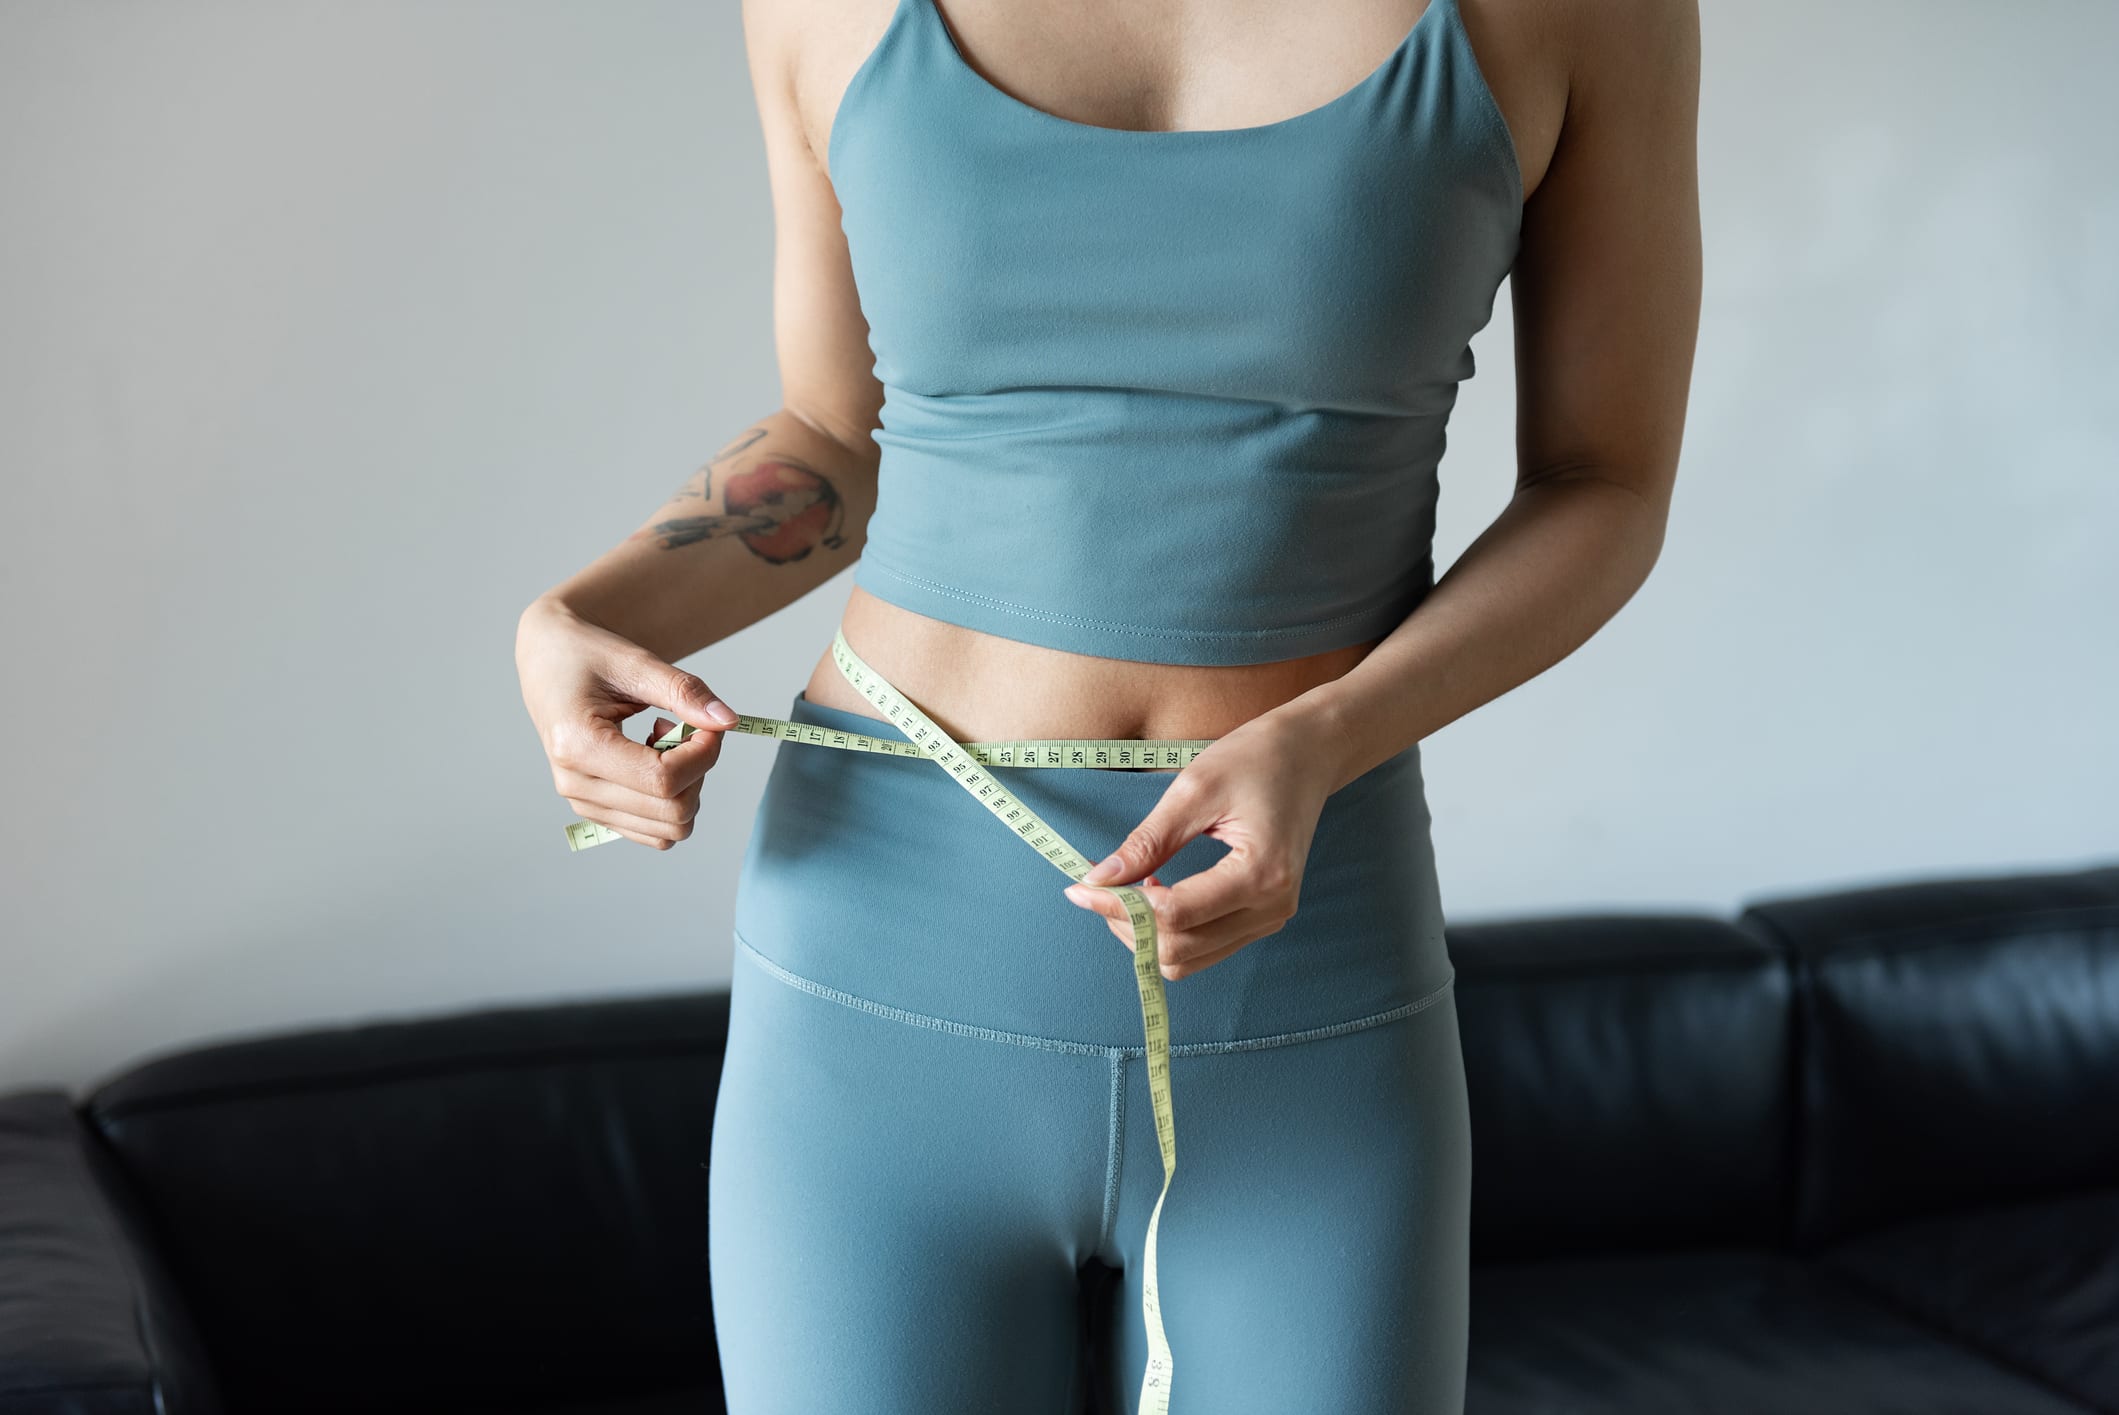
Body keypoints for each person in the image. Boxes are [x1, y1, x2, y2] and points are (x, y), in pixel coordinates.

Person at [514, 0, 1700, 1408]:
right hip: (882, 966)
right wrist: (587, 618)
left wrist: (1327, 736)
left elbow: (1602, 484)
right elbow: (835, 437)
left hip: (1301, 966)